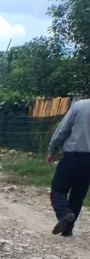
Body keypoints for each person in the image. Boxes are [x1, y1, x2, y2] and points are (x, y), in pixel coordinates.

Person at [48, 98, 90, 237]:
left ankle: (64, 214)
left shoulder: (80, 106)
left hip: (73, 155)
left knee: (58, 190)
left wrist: (53, 149)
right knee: (78, 195)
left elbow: (62, 130)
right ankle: (67, 229)